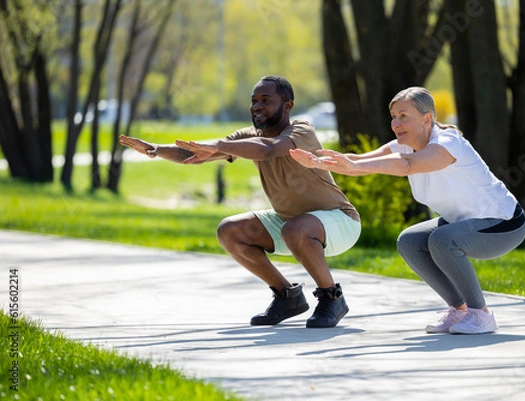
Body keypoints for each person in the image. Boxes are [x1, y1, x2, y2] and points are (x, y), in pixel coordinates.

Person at [119, 75, 361, 328]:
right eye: (254, 100)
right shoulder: (250, 135)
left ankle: (331, 297)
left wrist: (222, 144)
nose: (257, 106)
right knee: (230, 231)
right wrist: (155, 149)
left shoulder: (301, 131)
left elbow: (268, 149)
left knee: (295, 228)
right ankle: (287, 297)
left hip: (338, 221)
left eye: (266, 100)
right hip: (292, 223)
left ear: (287, 105)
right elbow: (197, 155)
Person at [290, 86, 525, 335]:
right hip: (466, 223)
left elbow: (407, 166)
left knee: (442, 240)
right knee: (409, 241)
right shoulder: (404, 146)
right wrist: (322, 163)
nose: (395, 123)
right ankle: (459, 309)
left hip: (504, 224)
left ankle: (482, 315)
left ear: (427, 119)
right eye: (393, 116)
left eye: (404, 116)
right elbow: (360, 162)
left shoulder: (447, 145)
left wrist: (350, 165)